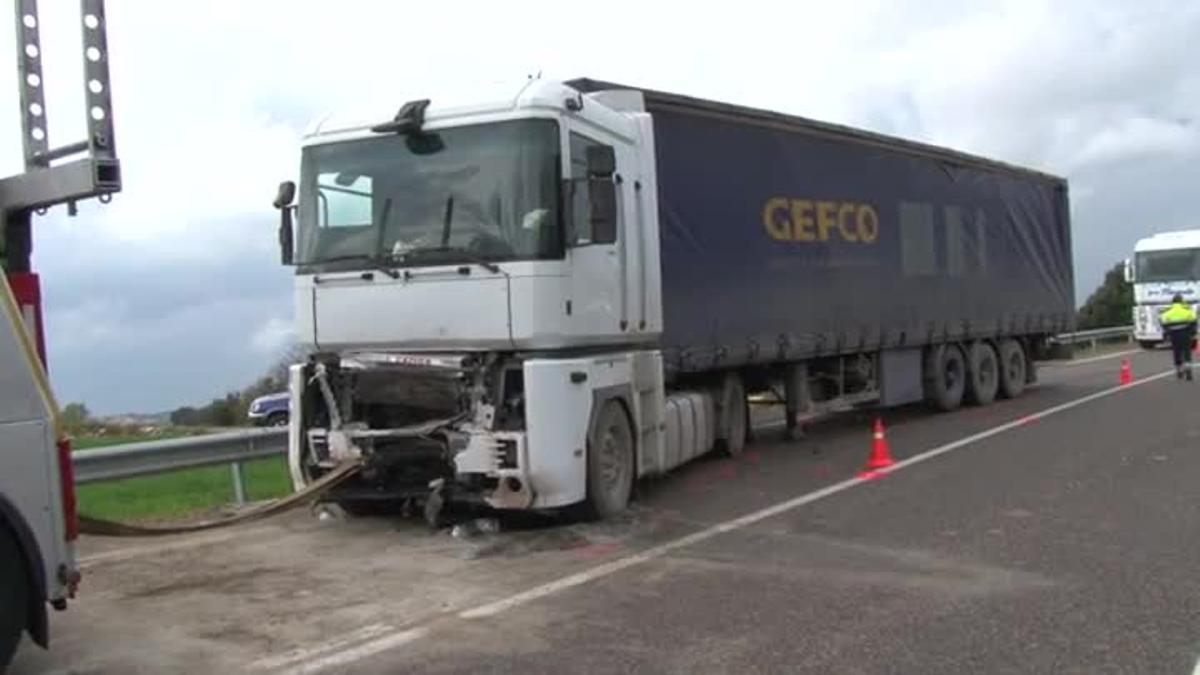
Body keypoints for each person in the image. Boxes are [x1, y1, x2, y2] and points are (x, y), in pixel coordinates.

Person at [1159, 294, 1198, 380]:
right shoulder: (1188, 310)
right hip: (1186, 334)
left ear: (1173, 302)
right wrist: (1193, 332)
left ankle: (1179, 370)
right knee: (1187, 352)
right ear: (1182, 301)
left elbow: (1162, 322)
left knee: (1177, 352)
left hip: (1174, 335)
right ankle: (1188, 371)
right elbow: (1194, 321)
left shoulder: (1167, 312)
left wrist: (1167, 332)